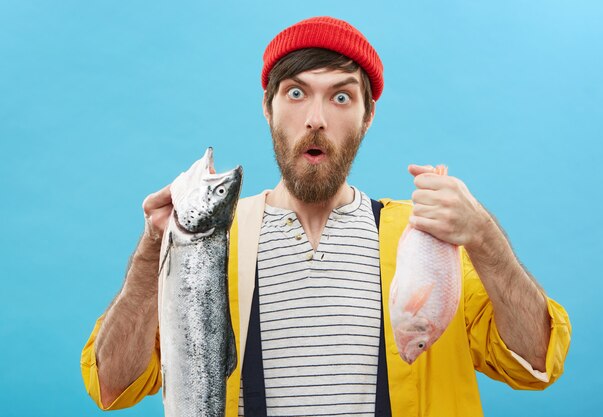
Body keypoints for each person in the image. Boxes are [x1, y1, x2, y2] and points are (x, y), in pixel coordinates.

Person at [81, 16, 571, 417]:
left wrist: (485, 238)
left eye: (341, 97)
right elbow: (112, 385)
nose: (316, 118)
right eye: (296, 93)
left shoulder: (424, 241)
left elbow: (534, 362)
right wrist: (153, 255)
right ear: (268, 108)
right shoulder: (211, 245)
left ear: (367, 116)